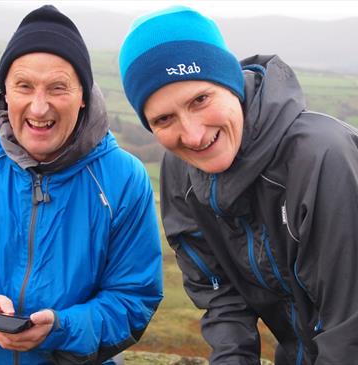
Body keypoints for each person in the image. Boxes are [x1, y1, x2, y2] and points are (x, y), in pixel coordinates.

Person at [0, 5, 163, 365]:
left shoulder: (124, 179)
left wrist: (62, 328)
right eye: (24, 86)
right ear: (5, 92)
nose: (39, 108)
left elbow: (134, 296)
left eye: (58, 87)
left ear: (84, 95)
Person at [119, 5, 358, 365]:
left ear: (230, 80)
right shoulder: (180, 170)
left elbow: (350, 328)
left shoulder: (322, 158)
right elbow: (220, 296)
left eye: (200, 99)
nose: (194, 135)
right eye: (164, 119)